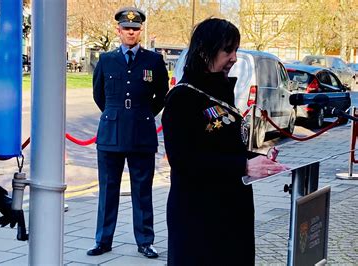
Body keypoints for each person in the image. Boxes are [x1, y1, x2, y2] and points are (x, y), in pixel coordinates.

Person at [161, 18, 289, 265]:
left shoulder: (222, 90)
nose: (234, 58)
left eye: (236, 50)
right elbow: (183, 161)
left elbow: (225, 146)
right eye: (227, 50)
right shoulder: (183, 98)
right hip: (199, 215)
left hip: (231, 209)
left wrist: (255, 158)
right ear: (204, 51)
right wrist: (243, 166)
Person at [88, 6, 169, 258]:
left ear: (140, 31)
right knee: (108, 189)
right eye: (126, 29)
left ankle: (145, 241)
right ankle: (103, 240)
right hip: (110, 133)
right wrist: (115, 113)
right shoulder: (106, 60)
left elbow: (162, 95)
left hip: (141, 132)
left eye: (135, 29)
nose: (131, 33)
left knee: (142, 190)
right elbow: (99, 94)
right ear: (118, 30)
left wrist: (142, 113)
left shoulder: (153, 61)